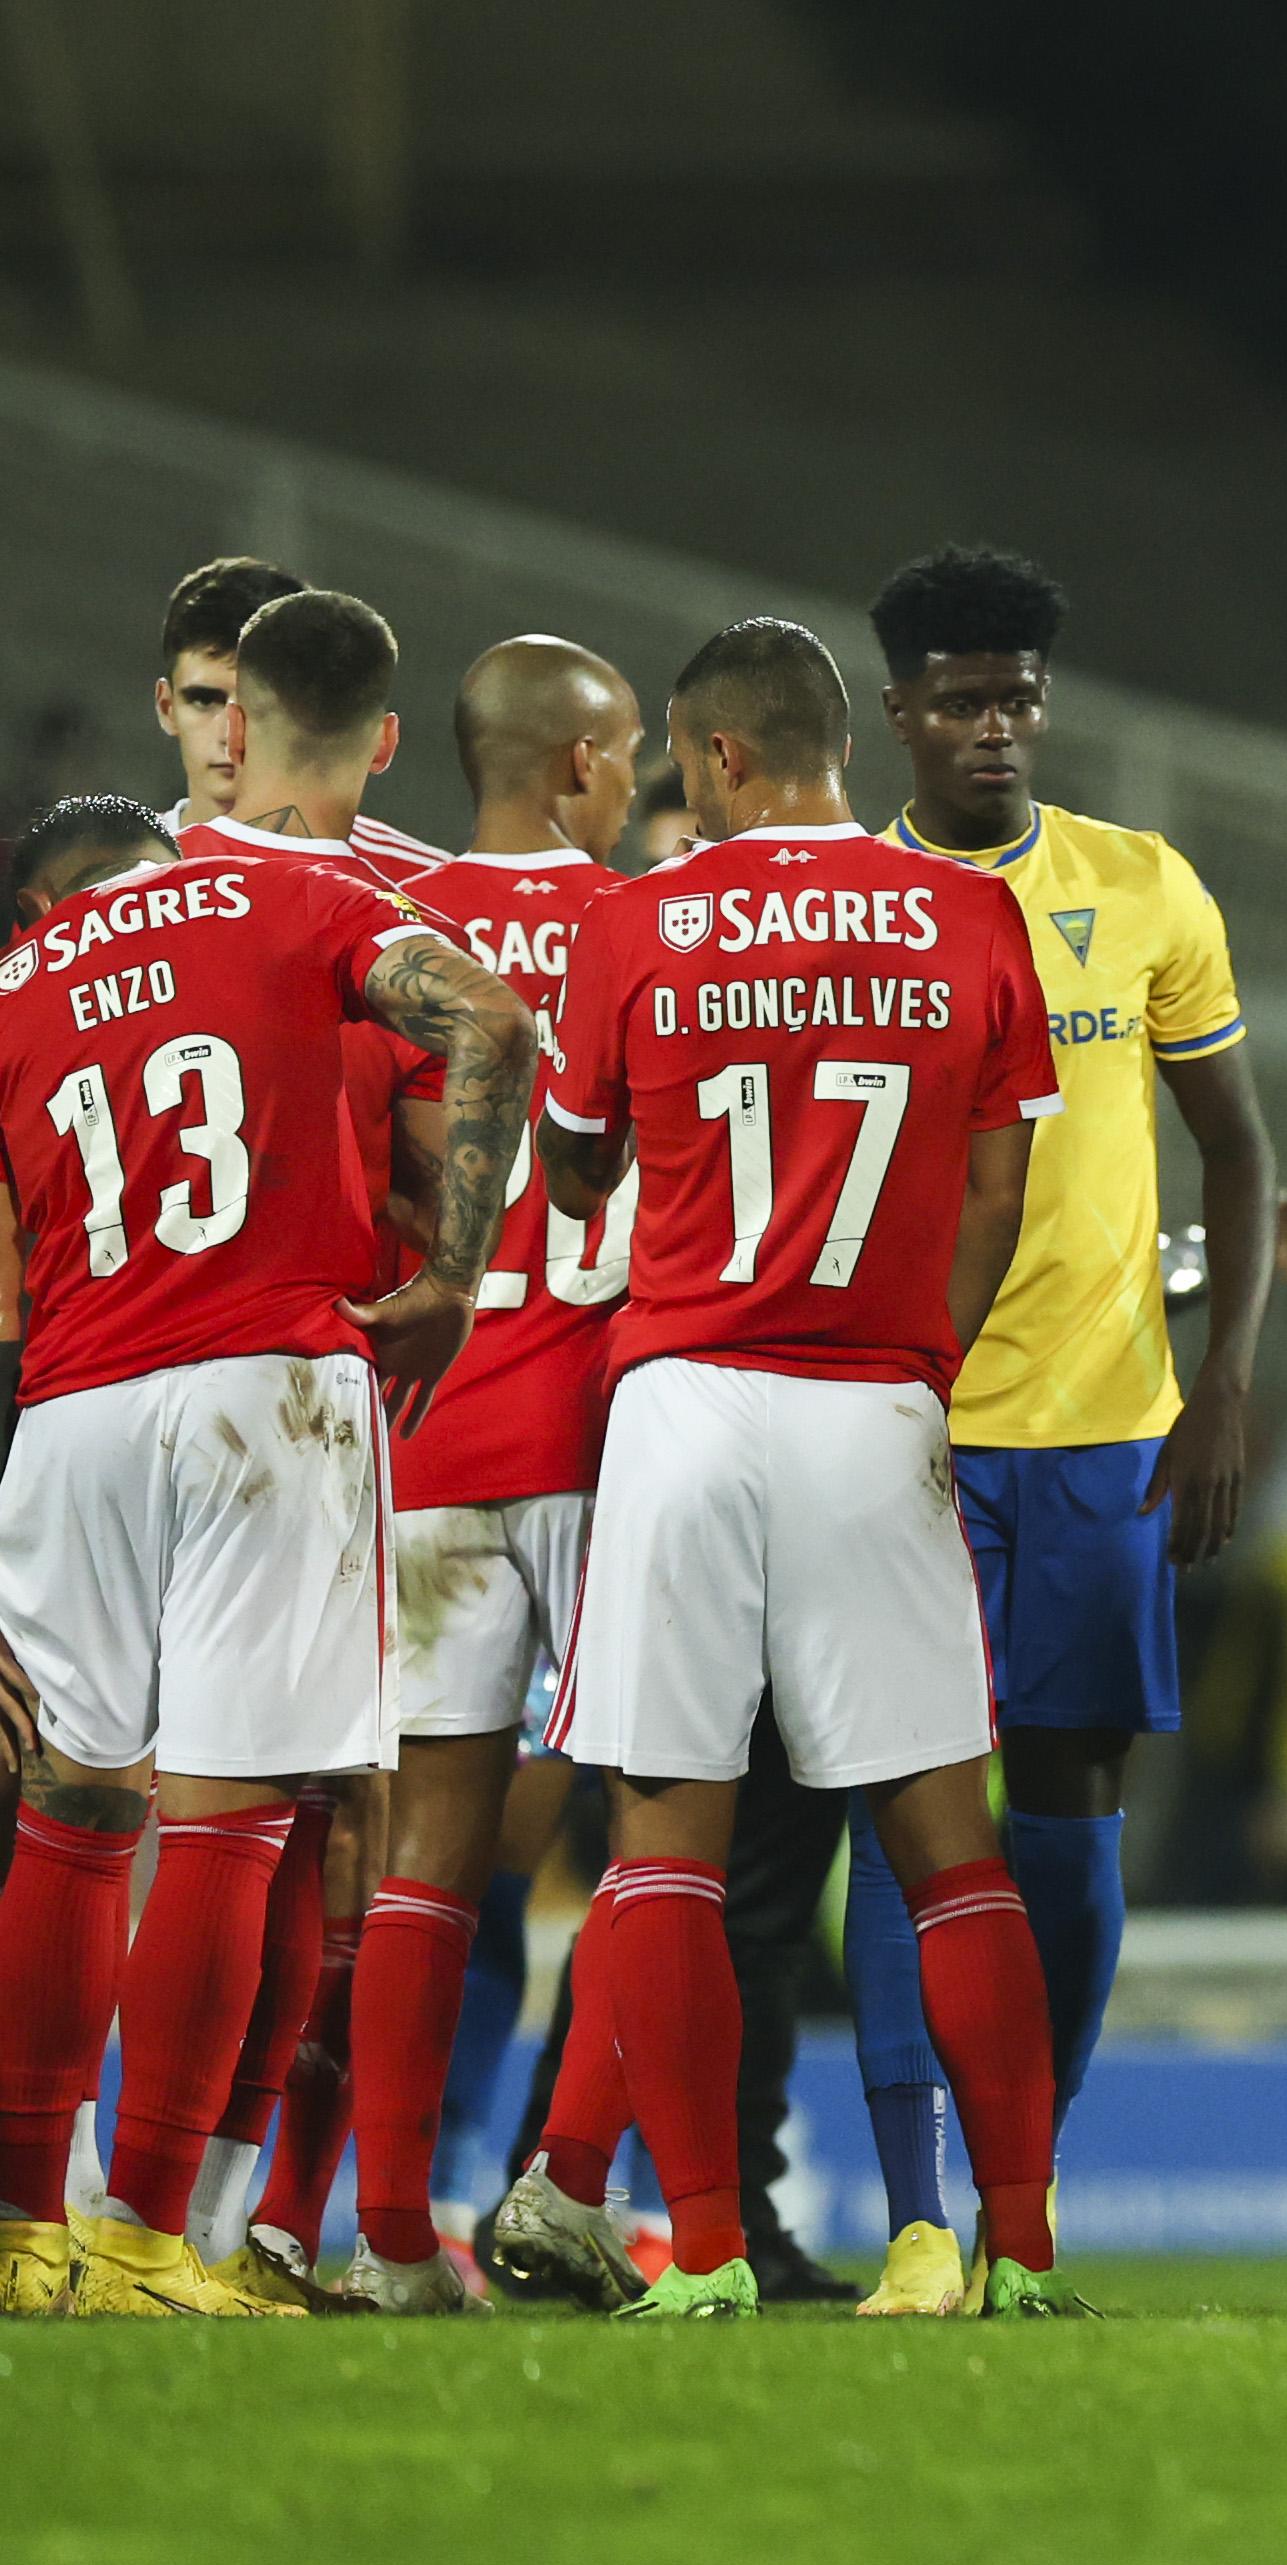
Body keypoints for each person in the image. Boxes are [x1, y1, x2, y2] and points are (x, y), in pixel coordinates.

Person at [534, 615, 1082, 2320]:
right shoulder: (969, 912)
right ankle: (1018, 2244)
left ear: (710, 757)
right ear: (840, 744)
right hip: (876, 1399)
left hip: (688, 1397)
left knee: (664, 1845)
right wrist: (929, 1355)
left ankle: (699, 2249)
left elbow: (569, 1170)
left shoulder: (637, 918)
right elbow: (999, 1193)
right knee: (947, 1847)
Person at [0, 795, 527, 2318]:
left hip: (71, 1412)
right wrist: (450, 1279)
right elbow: (491, 1020)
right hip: (267, 1393)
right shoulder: (277, 905)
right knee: (234, 1821)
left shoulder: (18, 987)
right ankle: (150, 2245)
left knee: (72, 1810)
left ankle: (26, 2230)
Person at [825, 545, 1275, 2317]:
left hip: (1100, 1423)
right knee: (903, 1806)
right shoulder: (844, 904)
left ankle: (1031, 2185)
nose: (995, 729)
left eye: (1018, 698)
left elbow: (1235, 1147)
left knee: (1074, 1801)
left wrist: (1224, 1373)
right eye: (960, 699)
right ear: (898, 711)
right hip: (897, 1420)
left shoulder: (1139, 883)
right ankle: (920, 2214)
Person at [334, 635, 648, 2313]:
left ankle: (391, 2239)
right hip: (602, 1430)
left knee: (425, 1851)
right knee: (661, 1823)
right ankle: (565, 2178)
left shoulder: (390, 937)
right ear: (588, 766)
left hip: (434, 1422)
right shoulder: (641, 923)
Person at [160, 587, 448, 2298]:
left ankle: (233, 2216)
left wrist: (431, 1256)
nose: (216, 728)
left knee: (326, 1808)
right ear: (175, 703)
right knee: (108, 1803)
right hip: (131, 1398)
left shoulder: (382, 895)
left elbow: (432, 1119)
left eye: (233, 699)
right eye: (193, 696)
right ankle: (83, 2199)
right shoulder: (101, 887)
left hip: (325, 1399)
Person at [149, 555, 439, 872]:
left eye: (258, 704)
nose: (228, 733)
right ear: (167, 707)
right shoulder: (110, 873)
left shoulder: (422, 881)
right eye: (204, 700)